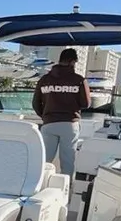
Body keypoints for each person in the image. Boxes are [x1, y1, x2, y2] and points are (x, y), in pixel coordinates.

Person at [32, 48, 91, 178]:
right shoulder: (79, 80)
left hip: (49, 124)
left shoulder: (44, 80)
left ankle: (37, 185)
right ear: (73, 62)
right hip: (69, 124)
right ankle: (66, 190)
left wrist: (46, 116)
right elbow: (86, 104)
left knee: (44, 160)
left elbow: (35, 104)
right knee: (68, 161)